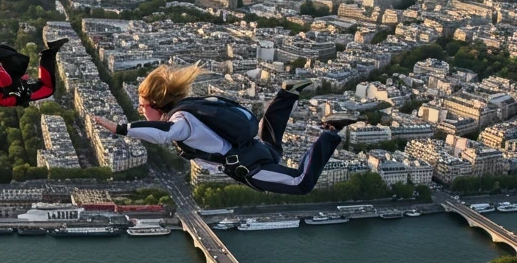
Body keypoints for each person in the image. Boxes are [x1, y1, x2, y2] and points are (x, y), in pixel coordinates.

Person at [92, 64, 358, 195]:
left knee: (302, 183)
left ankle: (330, 130)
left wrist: (121, 129)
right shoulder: (188, 108)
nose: (140, 110)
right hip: (256, 151)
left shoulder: (181, 121)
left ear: (156, 104)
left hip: (250, 168)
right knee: (273, 145)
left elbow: (163, 133)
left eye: (142, 106)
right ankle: (287, 94)